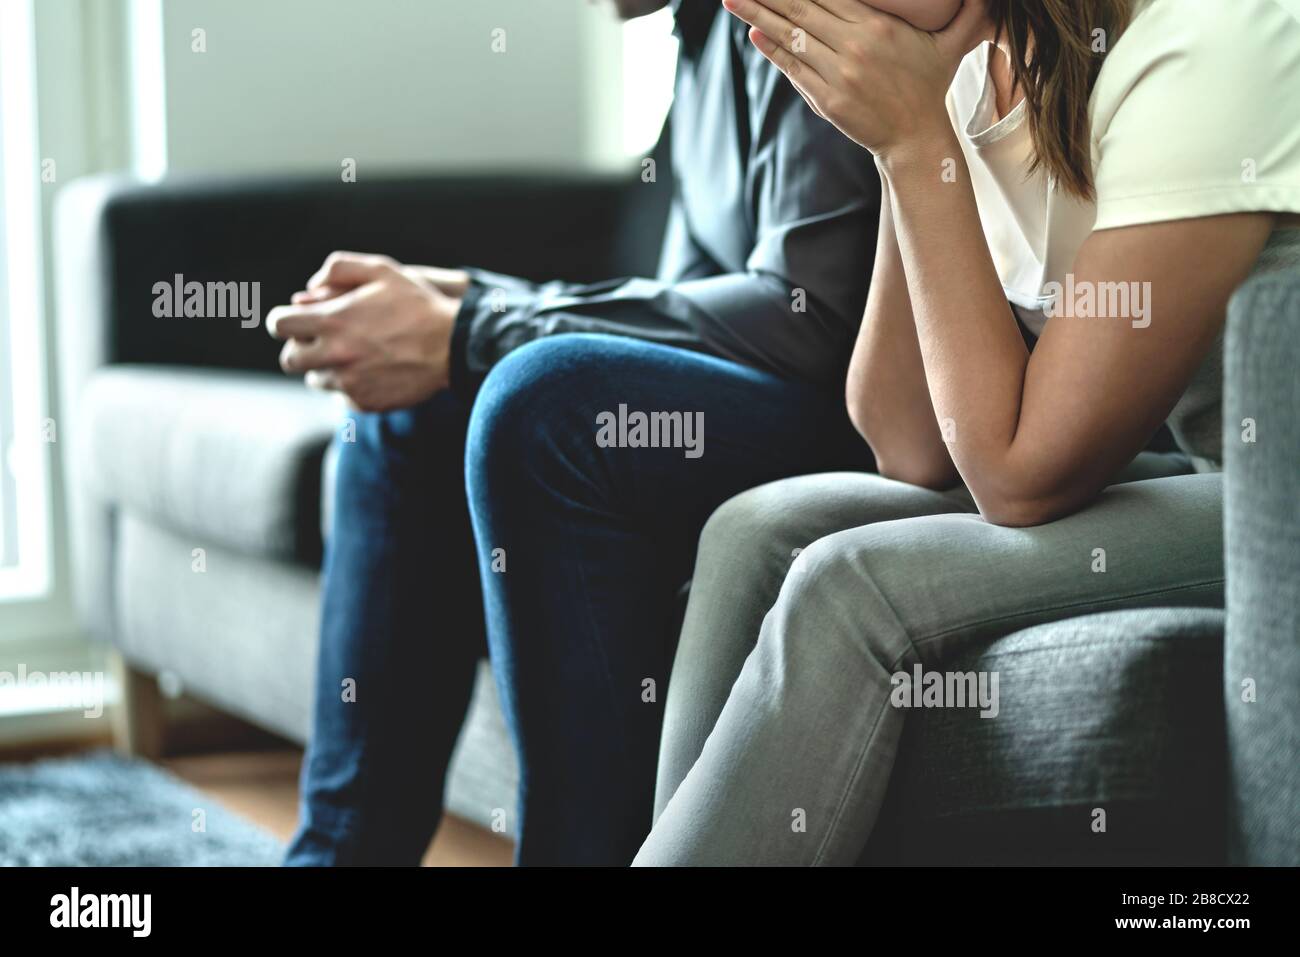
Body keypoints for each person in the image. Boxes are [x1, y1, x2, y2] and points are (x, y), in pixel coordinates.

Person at [636, 0, 1300, 865]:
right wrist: (898, 142)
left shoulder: (1213, 37)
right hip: (1201, 470)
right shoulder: (981, 59)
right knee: (754, 530)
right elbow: (906, 440)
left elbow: (1021, 476)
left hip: (1275, 503)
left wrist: (918, 145)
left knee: (852, 585)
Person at [274, 0, 883, 865]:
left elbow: (806, 316)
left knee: (539, 399)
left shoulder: (794, 15)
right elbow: (690, 303)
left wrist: (480, 324)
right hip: (777, 396)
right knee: (414, 399)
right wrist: (463, 310)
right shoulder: (702, 34)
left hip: (874, 423)